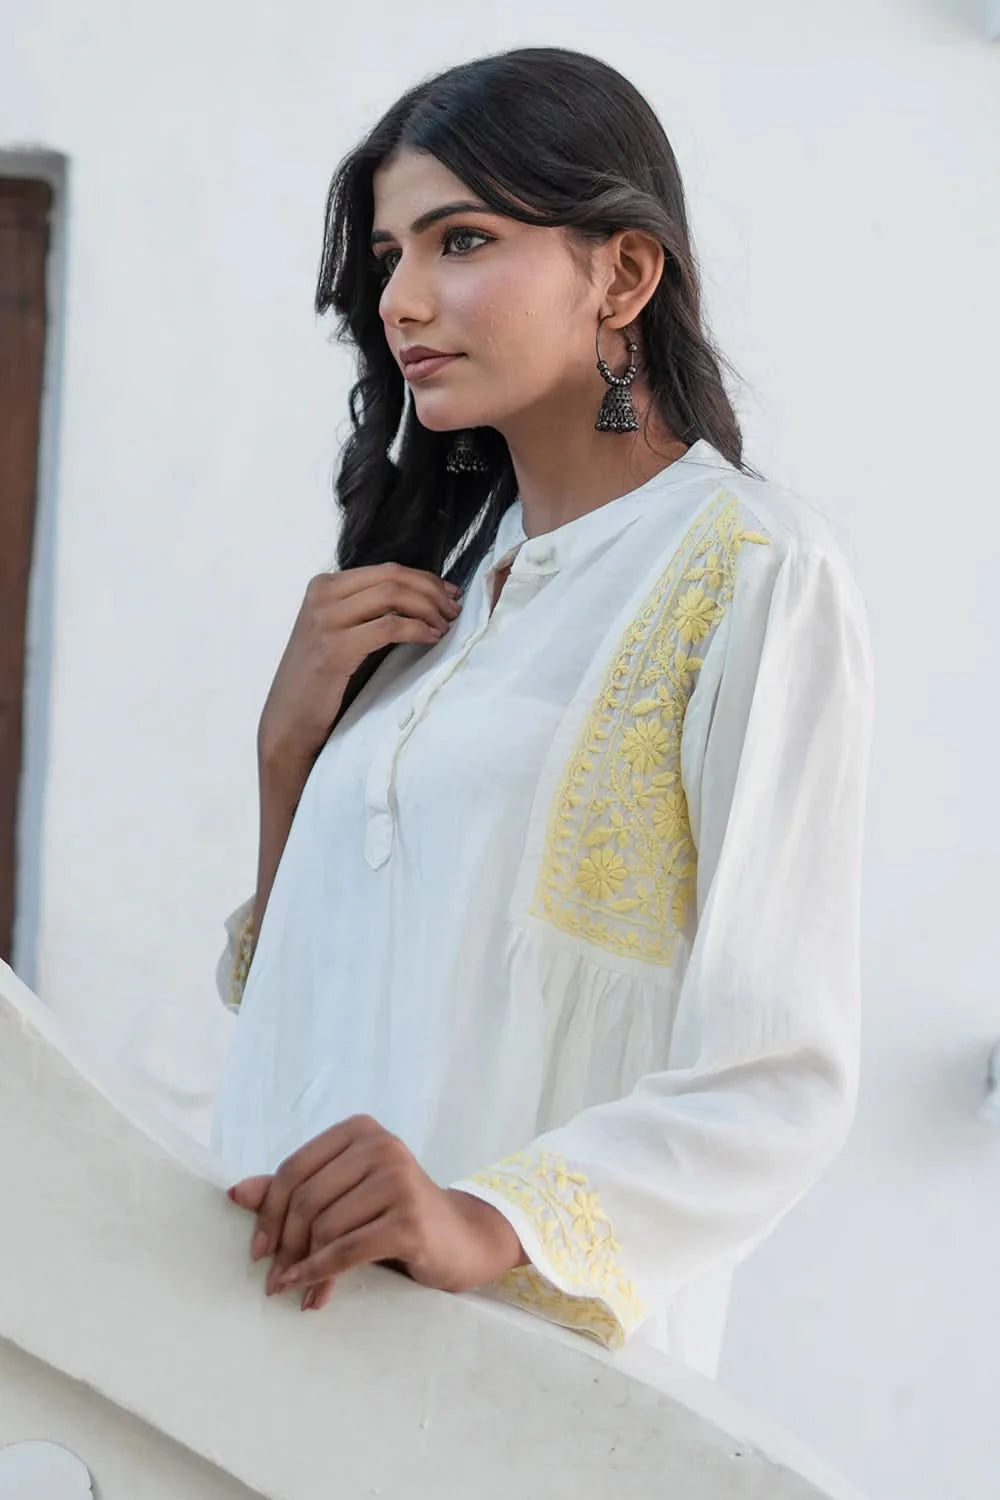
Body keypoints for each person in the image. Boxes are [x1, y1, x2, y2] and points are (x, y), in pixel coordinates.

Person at [211, 46, 874, 1382]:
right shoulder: (441, 594)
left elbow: (777, 1074)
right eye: (390, 255)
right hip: (267, 1361)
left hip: (508, 1393)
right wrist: (289, 761)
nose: (402, 300)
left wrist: (484, 1218)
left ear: (623, 275)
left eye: (463, 240)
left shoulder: (747, 572)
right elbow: (299, 1000)